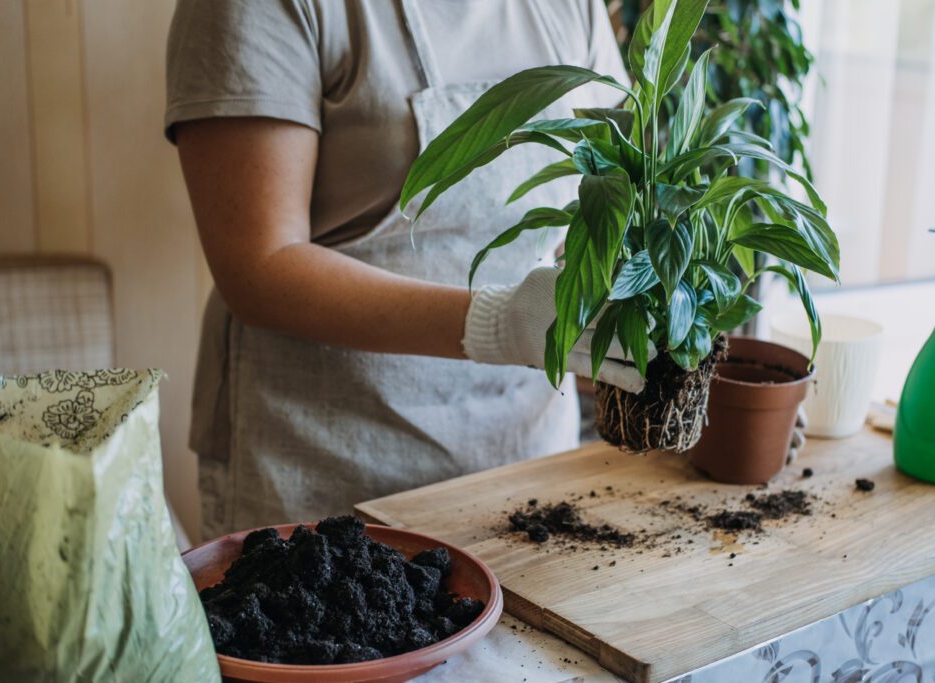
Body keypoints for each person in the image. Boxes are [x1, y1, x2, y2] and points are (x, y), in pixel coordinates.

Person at [166, 0, 639, 539]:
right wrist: (502, 322)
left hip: (525, 467)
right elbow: (258, 265)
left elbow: (605, 191)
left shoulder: (569, 8)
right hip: (326, 480)